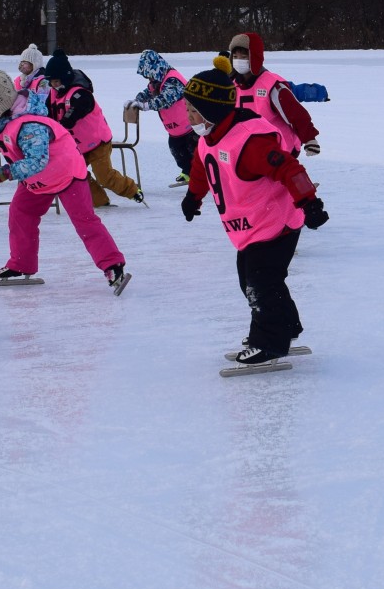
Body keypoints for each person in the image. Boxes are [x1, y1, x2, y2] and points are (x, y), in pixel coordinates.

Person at [179, 66, 329, 367]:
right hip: (252, 224)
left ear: (211, 111)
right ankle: (283, 326)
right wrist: (193, 197)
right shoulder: (209, 137)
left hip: (277, 222)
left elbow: (290, 168)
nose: (189, 118)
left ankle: (270, 341)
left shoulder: (249, 142)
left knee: (261, 283)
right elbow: (202, 168)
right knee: (253, 279)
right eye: (187, 110)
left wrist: (310, 203)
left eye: (193, 111)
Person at [0, 62, 129, 293]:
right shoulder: (6, 123)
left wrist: (0, 174)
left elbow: (37, 161)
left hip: (66, 174)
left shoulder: (28, 125)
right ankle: (21, 263)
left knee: (84, 220)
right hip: (38, 179)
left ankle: (112, 265)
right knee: (20, 213)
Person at [40, 48, 144, 208]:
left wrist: (63, 123)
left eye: (56, 82)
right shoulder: (54, 94)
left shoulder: (80, 93)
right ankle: (99, 202)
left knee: (104, 176)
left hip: (97, 143)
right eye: (51, 83)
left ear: (65, 78)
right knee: (76, 175)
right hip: (77, 146)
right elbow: (47, 112)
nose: (54, 86)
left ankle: (132, 190)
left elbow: (77, 110)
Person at [224, 32, 321, 157]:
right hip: (251, 147)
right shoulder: (232, 85)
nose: (239, 61)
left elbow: (295, 113)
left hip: (280, 147)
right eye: (235, 57)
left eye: (244, 57)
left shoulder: (272, 85)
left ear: (254, 57)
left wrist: (309, 138)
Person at [127, 49, 195, 186]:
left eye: (150, 75)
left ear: (156, 68)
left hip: (190, 125)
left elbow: (165, 99)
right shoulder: (157, 82)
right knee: (178, 152)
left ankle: (203, 173)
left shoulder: (172, 80)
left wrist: (145, 106)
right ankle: (189, 172)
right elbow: (148, 92)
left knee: (195, 152)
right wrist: (137, 100)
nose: (149, 79)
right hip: (175, 129)